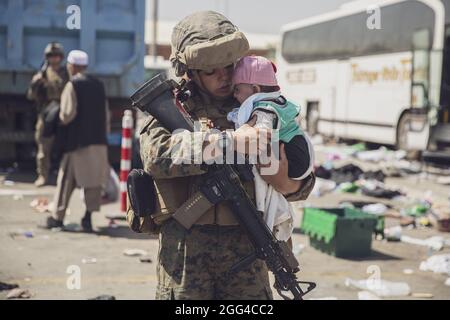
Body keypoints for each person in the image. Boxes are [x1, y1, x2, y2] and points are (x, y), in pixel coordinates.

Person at [127, 11, 316, 300]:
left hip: (248, 250)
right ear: (190, 71)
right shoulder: (174, 108)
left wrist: (287, 183)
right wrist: (230, 143)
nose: (224, 77)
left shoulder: (257, 106)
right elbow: (157, 156)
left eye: (228, 66)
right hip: (186, 256)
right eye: (211, 71)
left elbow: (301, 172)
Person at [228, 55, 315, 241]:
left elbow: (263, 131)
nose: (234, 95)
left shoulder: (264, 108)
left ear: (255, 89)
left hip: (292, 159)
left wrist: (244, 133)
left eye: (237, 90)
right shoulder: (273, 102)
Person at [44, 50, 109, 232]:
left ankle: (57, 217)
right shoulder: (99, 85)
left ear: (72, 66)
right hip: (98, 142)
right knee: (93, 182)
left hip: (77, 143)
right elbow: (106, 115)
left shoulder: (73, 84)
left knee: (66, 180)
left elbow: (67, 115)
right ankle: (87, 218)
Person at [27, 42, 69, 187]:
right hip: (47, 112)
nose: (54, 58)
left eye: (57, 55)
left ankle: (66, 177)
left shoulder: (66, 73)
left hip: (63, 112)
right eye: (51, 56)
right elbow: (31, 96)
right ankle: (43, 175)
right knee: (43, 146)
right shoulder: (42, 73)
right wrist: (36, 83)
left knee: (67, 147)